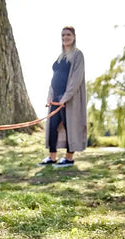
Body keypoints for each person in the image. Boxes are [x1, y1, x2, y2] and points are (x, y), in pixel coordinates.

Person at [39, 26, 87, 167]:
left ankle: (69, 158)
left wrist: (65, 98)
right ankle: (52, 157)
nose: (65, 37)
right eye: (63, 35)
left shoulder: (78, 55)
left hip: (68, 99)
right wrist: (50, 96)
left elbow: (76, 79)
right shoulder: (60, 57)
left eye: (68, 34)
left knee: (69, 126)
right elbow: (54, 78)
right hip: (55, 98)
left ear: (74, 36)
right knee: (52, 127)